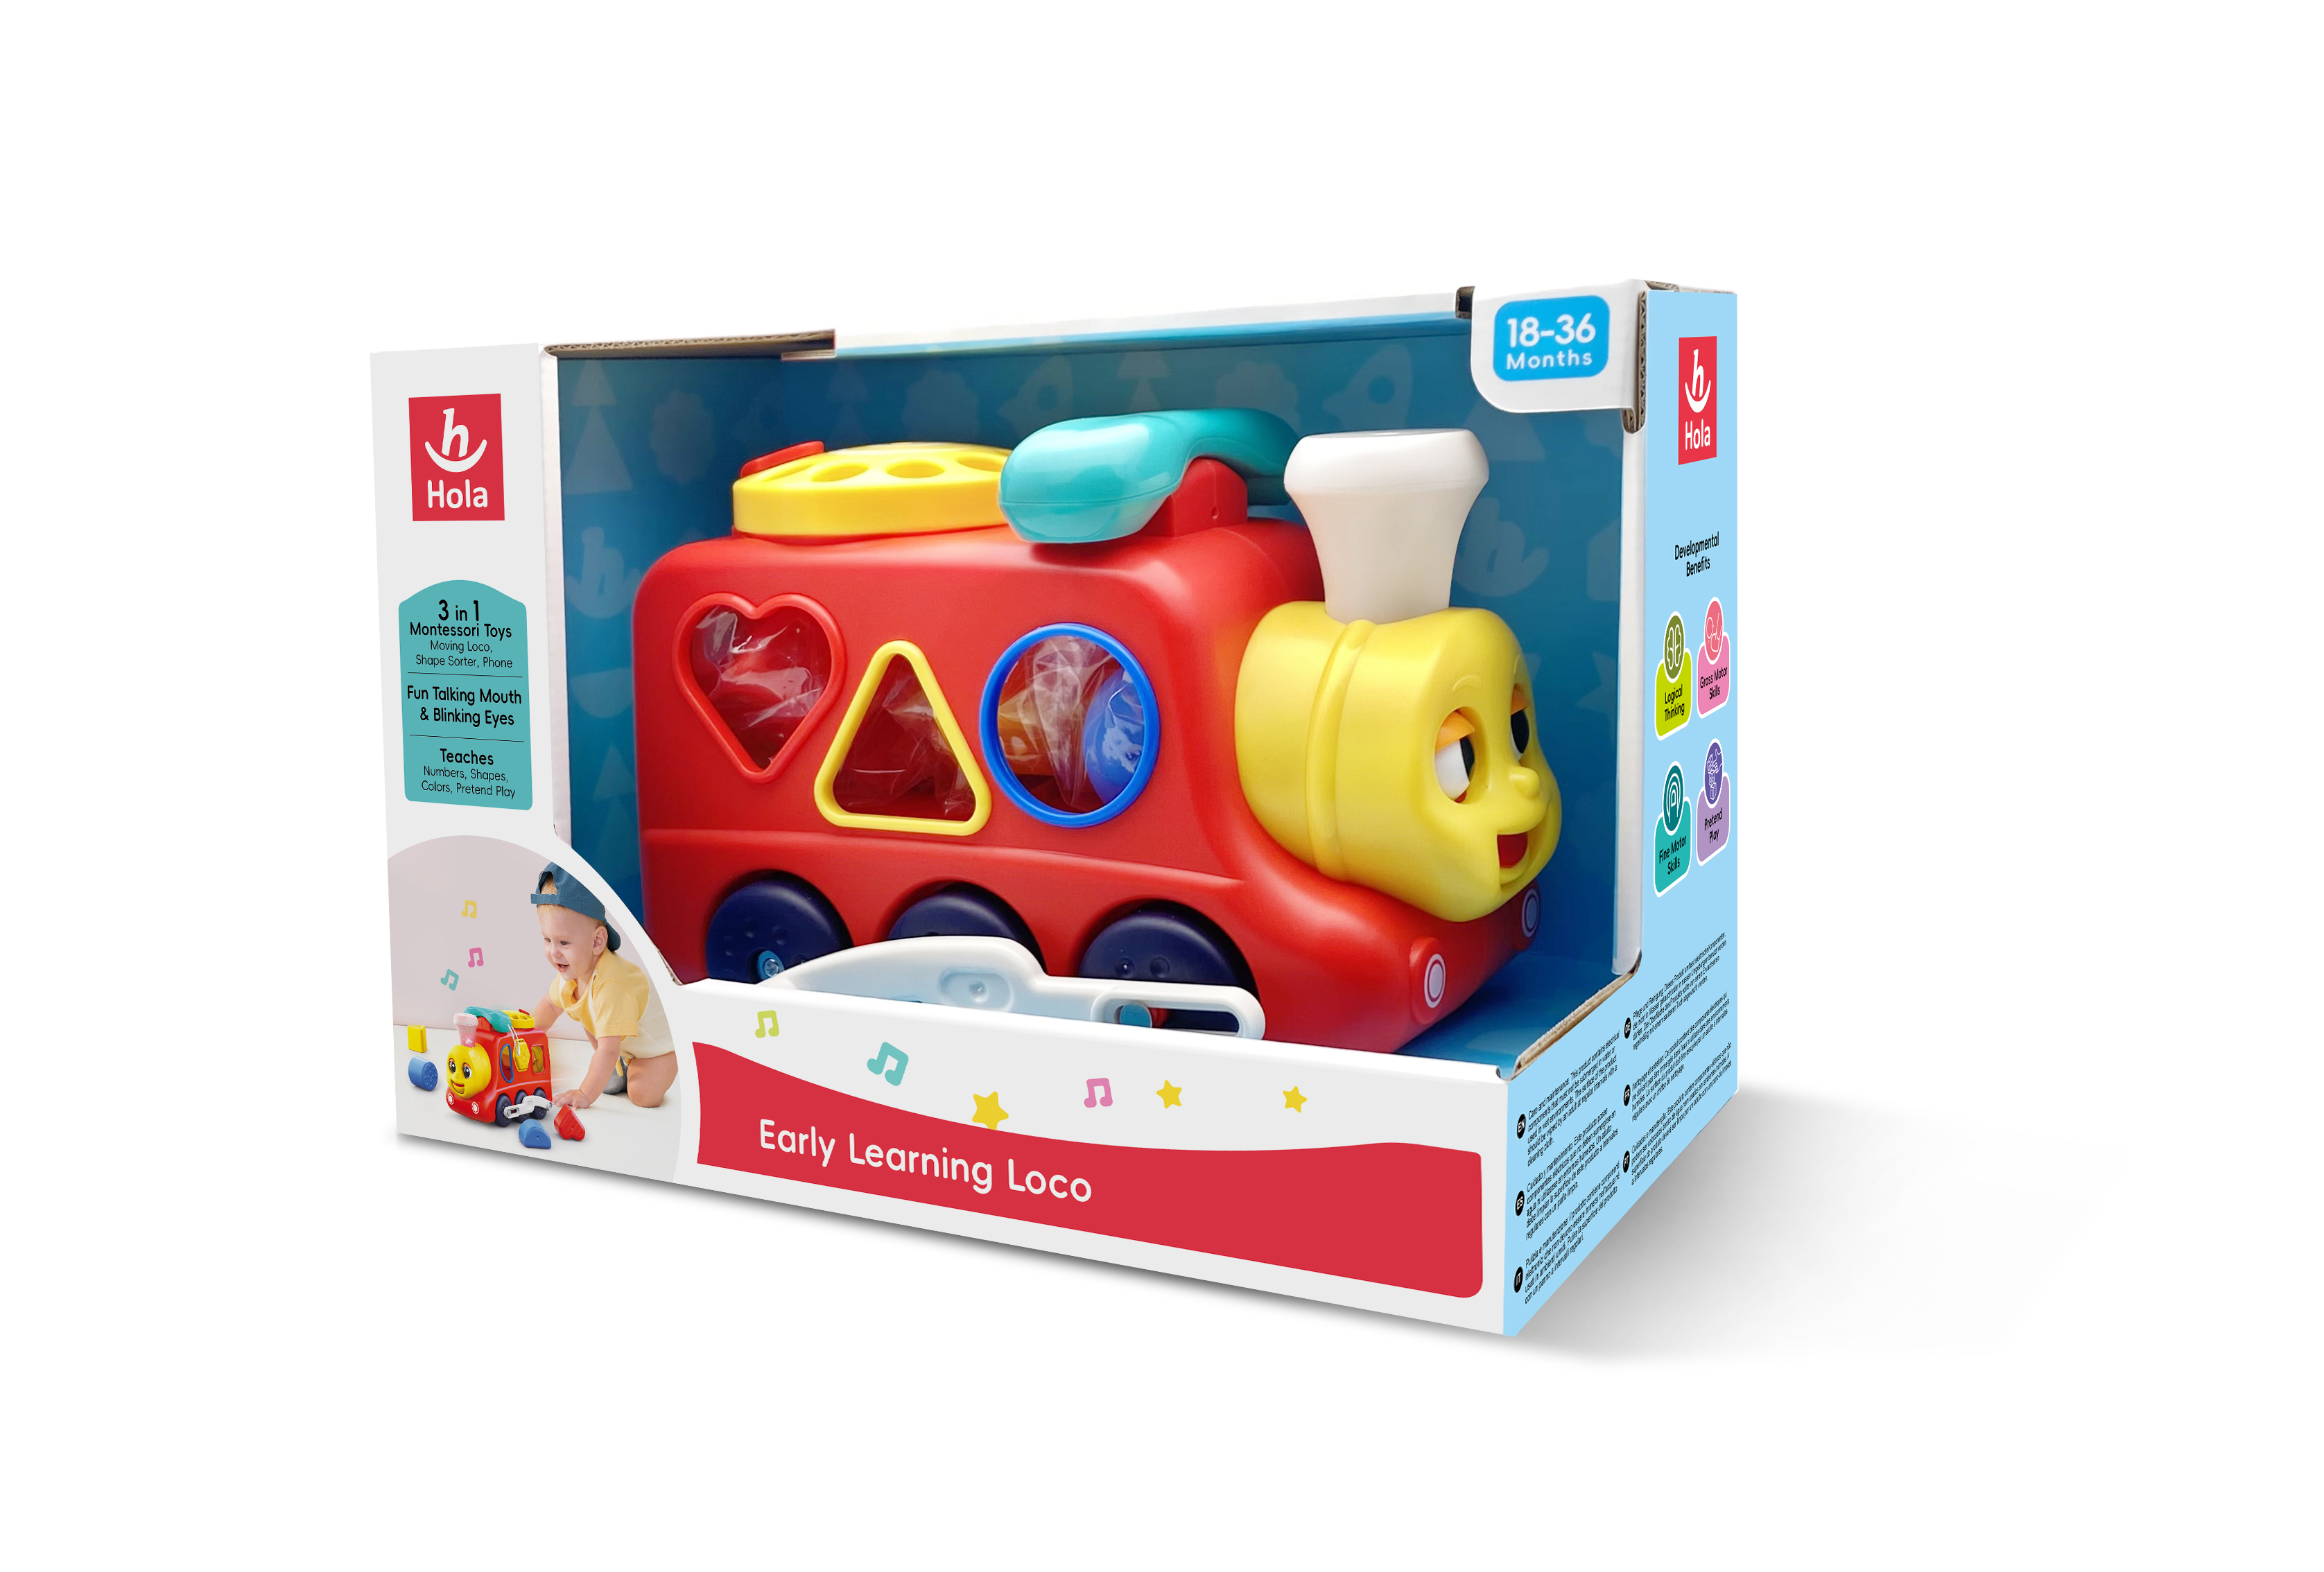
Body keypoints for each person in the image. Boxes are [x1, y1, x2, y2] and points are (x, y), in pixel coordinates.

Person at [528, 863, 676, 1109]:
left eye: (564, 943)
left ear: (597, 942)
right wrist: (524, 1035)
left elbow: (607, 1050)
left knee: (641, 1095)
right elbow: (550, 1007)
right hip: (621, 1047)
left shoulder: (610, 985)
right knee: (606, 1080)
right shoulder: (573, 973)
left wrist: (584, 1095)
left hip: (656, 1049)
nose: (554, 952)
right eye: (547, 939)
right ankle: (623, 1065)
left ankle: (662, 1064)